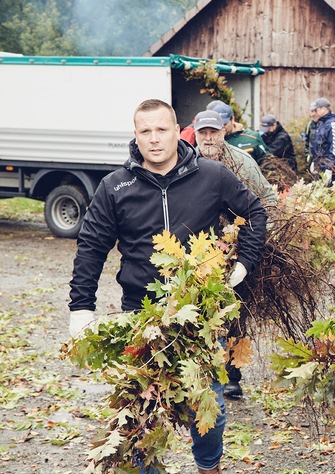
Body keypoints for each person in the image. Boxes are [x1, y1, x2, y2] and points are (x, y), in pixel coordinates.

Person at [68, 99, 267, 474]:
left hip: (202, 316)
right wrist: (81, 306)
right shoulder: (115, 187)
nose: (155, 139)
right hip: (141, 316)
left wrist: (243, 264)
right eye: (146, 131)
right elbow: (92, 246)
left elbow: (255, 211)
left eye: (162, 130)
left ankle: (209, 465)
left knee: (208, 409)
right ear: (135, 135)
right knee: (141, 413)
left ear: (178, 132)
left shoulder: (212, 175)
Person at [192, 110, 275, 401]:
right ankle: (203, 371)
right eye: (203, 133)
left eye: (213, 131)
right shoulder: (187, 162)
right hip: (198, 254)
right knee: (202, 314)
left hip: (237, 253)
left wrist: (254, 241)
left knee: (236, 315)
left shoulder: (242, 162)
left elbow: (268, 201)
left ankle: (232, 376)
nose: (209, 137)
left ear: (224, 131)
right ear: (195, 134)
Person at [206, 100, 271, 164]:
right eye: (219, 124)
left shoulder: (252, 138)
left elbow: (270, 164)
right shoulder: (208, 141)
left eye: (225, 124)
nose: (222, 127)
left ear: (232, 119)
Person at [311, 97, 335, 173]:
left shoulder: (333, 125)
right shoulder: (322, 123)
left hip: (331, 171)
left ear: (323, 109)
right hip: (321, 167)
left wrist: (329, 169)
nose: (315, 113)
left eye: (316, 110)